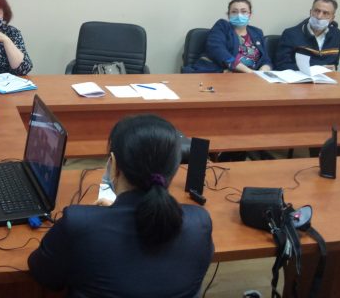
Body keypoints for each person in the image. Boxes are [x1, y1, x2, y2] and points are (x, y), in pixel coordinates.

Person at [28, 115, 214, 298]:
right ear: (174, 169)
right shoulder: (200, 223)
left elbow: (44, 275)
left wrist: (102, 217)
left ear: (114, 163)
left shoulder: (78, 223)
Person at [186, 0, 272, 73]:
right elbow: (217, 50)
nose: (239, 15)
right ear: (228, 15)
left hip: (252, 78)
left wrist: (263, 71)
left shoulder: (257, 32)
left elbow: (265, 59)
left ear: (250, 15)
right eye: (234, 12)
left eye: (244, 11)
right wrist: (248, 72)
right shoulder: (222, 26)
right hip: (222, 74)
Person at [275, 0, 340, 71]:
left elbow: (334, 63)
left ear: (332, 18)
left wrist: (333, 68)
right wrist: (315, 69)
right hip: (300, 77)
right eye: (317, 11)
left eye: (325, 13)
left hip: (326, 77)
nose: (319, 16)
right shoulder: (291, 34)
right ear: (310, 12)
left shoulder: (337, 34)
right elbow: (282, 65)